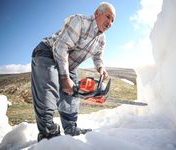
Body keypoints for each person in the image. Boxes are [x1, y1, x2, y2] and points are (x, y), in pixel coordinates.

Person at [31, 2, 115, 141]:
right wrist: (64, 78)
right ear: (97, 14)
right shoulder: (80, 21)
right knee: (48, 88)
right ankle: (47, 131)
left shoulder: (101, 39)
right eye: (108, 17)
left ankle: (71, 128)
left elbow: (98, 56)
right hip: (48, 52)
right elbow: (61, 47)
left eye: (112, 20)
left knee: (72, 93)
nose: (110, 23)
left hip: (69, 63)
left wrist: (101, 68)